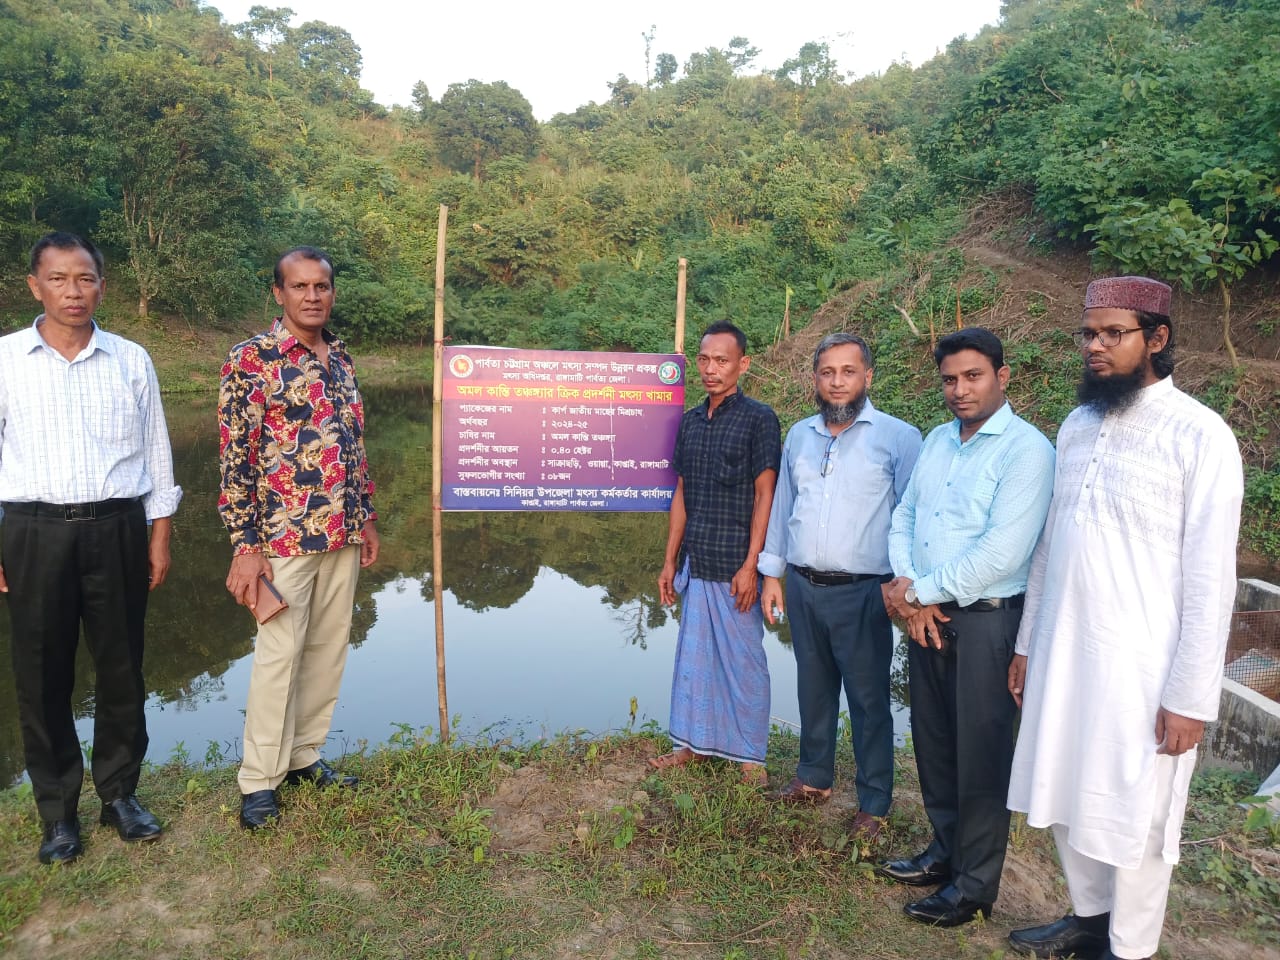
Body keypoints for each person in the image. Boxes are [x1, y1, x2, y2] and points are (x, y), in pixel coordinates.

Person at [1005, 277, 1243, 960]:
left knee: (1137, 811)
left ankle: (1128, 946)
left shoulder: (1201, 436)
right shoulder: (1078, 426)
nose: (1096, 346)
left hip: (1142, 667)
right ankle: (1087, 919)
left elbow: (1210, 581)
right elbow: (1052, 544)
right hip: (1064, 650)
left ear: (1157, 339)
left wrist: (1190, 696)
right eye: (1089, 333)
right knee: (1066, 781)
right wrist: (1027, 643)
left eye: (1114, 334)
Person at [0, 232, 182, 863]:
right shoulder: (4, 359)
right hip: (31, 529)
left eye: (85, 279)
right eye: (58, 279)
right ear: (34, 285)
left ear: (102, 285)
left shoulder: (131, 359)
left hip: (117, 529)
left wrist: (158, 533)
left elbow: (157, 451)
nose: (73, 292)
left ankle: (120, 795)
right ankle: (57, 813)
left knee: (122, 665)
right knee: (42, 673)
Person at [880, 327, 1055, 926]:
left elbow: (1001, 553)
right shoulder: (937, 439)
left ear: (1002, 377)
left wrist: (916, 592)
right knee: (933, 740)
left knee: (980, 755)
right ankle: (945, 852)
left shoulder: (1027, 451)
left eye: (973, 376)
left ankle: (974, 887)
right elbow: (905, 517)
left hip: (985, 624)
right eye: (950, 379)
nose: (960, 390)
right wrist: (911, 592)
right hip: (927, 615)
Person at [218, 246, 379, 830]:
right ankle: (260, 780)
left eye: (322, 286)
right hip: (283, 536)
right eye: (300, 286)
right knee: (279, 655)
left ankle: (305, 755)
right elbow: (236, 459)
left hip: (342, 530)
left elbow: (353, 444)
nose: (313, 296)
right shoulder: (252, 360)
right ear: (278, 293)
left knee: (328, 647)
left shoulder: (340, 357)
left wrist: (366, 515)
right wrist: (245, 544)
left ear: (332, 292)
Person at [757, 333, 921, 836]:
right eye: (827, 372)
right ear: (815, 378)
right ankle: (813, 777)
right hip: (804, 586)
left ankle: (874, 800)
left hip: (865, 591)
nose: (837, 382)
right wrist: (772, 574)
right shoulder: (800, 436)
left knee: (869, 701)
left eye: (848, 372)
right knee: (814, 687)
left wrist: (904, 585)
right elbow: (785, 506)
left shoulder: (899, 438)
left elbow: (913, 518)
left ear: (867, 377)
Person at [650, 321, 780, 784]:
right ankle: (693, 745)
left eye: (722, 360)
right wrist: (670, 560)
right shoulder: (688, 421)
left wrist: (753, 565)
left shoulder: (758, 418)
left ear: (742, 364)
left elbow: (766, 495)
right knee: (695, 660)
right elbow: (681, 493)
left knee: (744, 662)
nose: (711, 369)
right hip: (697, 560)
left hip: (735, 569)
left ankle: (750, 758)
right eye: (704, 360)